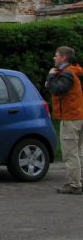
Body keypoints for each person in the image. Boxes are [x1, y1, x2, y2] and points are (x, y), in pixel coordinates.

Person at [45, 46, 83, 195]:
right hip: (78, 116)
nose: (54, 58)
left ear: (64, 58)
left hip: (70, 118)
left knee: (70, 153)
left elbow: (58, 90)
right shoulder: (73, 72)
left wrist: (50, 78)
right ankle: (78, 181)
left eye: (56, 56)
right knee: (79, 152)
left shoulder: (67, 74)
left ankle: (74, 185)